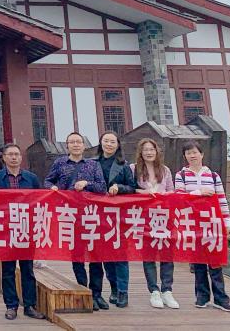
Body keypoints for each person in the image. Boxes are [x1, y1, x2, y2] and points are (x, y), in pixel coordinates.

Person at [43, 131, 108, 310]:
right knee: (77, 256)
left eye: (78, 142)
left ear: (84, 146)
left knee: (96, 257)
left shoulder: (93, 165)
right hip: (70, 215)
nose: (76, 145)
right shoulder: (60, 163)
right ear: (67, 146)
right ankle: (83, 291)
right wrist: (53, 187)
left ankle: (97, 294)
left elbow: (102, 187)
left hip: (91, 215)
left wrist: (87, 184)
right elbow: (47, 181)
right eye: (72, 142)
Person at [0, 143, 46, 321]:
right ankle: (11, 306)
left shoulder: (31, 178)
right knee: (8, 270)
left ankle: (29, 305)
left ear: (21, 158)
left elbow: (40, 201)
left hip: (27, 229)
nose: (14, 157)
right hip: (6, 230)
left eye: (17, 154)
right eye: (10, 154)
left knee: (28, 269)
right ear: (3, 158)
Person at [175, 141, 230, 313]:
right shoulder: (181, 175)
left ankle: (221, 299)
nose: (192, 155)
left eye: (195, 152)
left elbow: (221, 200)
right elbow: (179, 198)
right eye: (188, 153)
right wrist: (198, 193)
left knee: (215, 262)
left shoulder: (213, 176)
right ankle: (202, 296)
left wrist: (227, 224)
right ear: (185, 156)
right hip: (193, 223)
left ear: (202, 154)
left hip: (212, 223)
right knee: (198, 261)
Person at [131, 137, 179, 309]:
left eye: (152, 149)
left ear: (156, 151)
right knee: (149, 254)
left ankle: (167, 290)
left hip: (164, 215)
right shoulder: (133, 169)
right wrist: (143, 192)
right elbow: (129, 189)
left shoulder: (165, 170)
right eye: (146, 150)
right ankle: (154, 291)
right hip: (144, 216)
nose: (149, 152)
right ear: (141, 152)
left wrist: (164, 195)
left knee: (167, 254)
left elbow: (172, 191)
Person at [94, 132, 136, 308]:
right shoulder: (92, 163)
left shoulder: (123, 165)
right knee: (106, 255)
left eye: (113, 142)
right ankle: (113, 288)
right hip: (97, 215)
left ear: (118, 145)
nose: (109, 144)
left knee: (120, 255)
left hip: (118, 215)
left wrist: (119, 188)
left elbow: (132, 188)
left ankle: (123, 291)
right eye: (106, 141)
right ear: (101, 143)